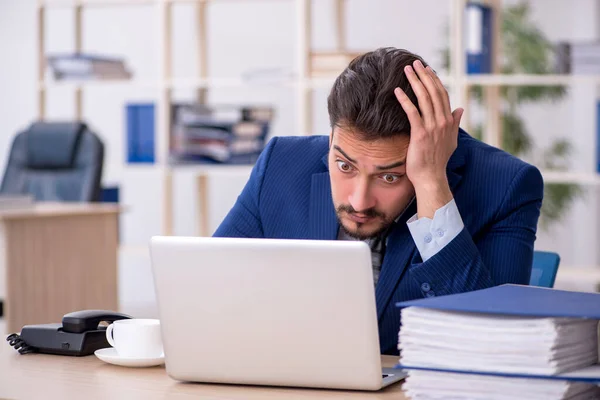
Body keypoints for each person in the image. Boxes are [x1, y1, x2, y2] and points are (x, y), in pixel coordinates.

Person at [214, 47, 544, 355]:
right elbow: (210, 288)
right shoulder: (281, 164)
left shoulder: (507, 187)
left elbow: (491, 345)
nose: (359, 201)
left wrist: (430, 181)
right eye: (344, 166)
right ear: (331, 140)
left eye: (390, 176)